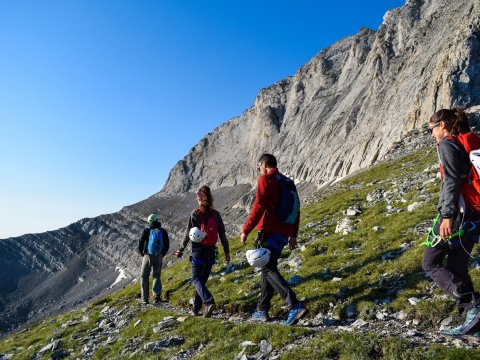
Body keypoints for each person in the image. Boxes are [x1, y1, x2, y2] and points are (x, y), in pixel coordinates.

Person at [423, 108, 480, 337]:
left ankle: (473, 307)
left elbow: (451, 181)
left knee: (430, 263)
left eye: (432, 129)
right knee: (457, 266)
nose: (432, 134)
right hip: (475, 214)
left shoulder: (447, 144)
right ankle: (473, 323)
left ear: (443, 125)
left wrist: (447, 216)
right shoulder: (468, 141)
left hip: (458, 215)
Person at [240, 153, 308, 326]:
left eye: (258, 166)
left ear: (264, 164)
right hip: (284, 233)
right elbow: (297, 209)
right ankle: (261, 309)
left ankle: (294, 305)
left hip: (269, 232)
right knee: (267, 267)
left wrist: (246, 230)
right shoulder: (287, 181)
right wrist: (293, 234)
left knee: (268, 268)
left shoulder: (266, 180)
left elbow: (259, 205)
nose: (258, 169)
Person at [173, 185, 230, 317]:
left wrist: (181, 249)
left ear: (200, 199)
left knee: (195, 279)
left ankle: (209, 301)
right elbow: (222, 234)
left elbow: (188, 233)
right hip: (211, 251)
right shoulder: (216, 214)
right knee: (201, 281)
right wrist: (227, 252)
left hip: (198, 250)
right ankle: (196, 309)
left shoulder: (195, 213)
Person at [138, 213, 170, 304]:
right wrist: (162, 254)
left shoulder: (146, 230)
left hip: (148, 256)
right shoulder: (163, 231)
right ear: (157, 220)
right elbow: (167, 244)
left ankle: (144, 299)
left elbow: (141, 243)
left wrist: (143, 254)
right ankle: (157, 297)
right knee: (156, 276)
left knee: (144, 276)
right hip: (158, 256)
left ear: (149, 221)